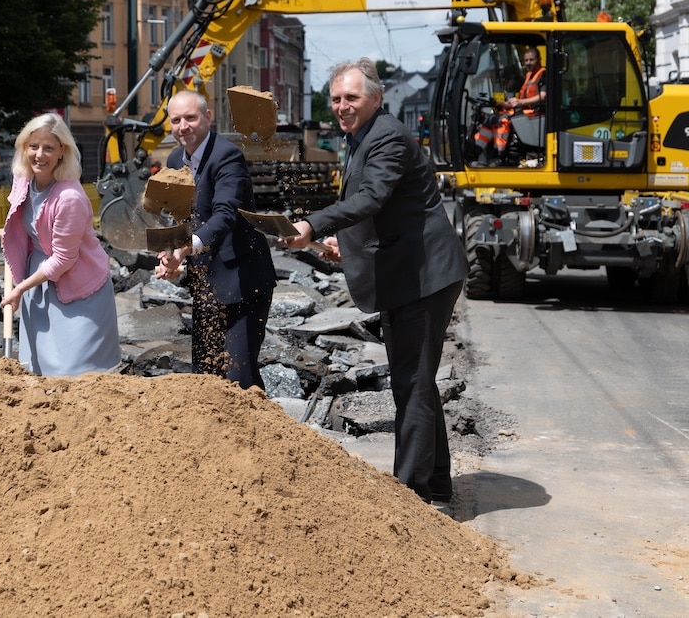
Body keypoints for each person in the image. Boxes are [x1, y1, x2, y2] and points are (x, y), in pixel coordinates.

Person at [282, 59, 468, 504]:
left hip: (423, 276)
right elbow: (386, 208)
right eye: (336, 99)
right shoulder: (362, 136)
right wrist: (343, 243)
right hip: (410, 271)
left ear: (376, 99)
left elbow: (371, 197)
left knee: (412, 382)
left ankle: (411, 495)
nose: (342, 107)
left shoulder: (385, 136)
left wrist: (311, 222)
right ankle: (436, 484)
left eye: (352, 97)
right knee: (416, 380)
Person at [156, 90, 277, 390]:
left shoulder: (227, 156)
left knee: (240, 376)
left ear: (208, 117)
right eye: (176, 120)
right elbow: (180, 217)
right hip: (206, 282)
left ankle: (259, 435)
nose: (183, 126)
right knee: (205, 374)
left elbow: (225, 215)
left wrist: (184, 250)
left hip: (244, 283)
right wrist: (171, 256)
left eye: (190, 118)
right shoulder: (174, 158)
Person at [0, 113, 121, 376]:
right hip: (39, 282)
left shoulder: (69, 198)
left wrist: (20, 288)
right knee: (40, 366)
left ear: (62, 152)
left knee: (75, 371)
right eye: (33, 146)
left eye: (48, 148)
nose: (39, 155)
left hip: (79, 286)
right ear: (24, 148)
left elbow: (64, 259)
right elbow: (19, 219)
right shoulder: (24, 180)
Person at [504, 47, 546, 116]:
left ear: (539, 59)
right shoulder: (528, 75)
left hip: (539, 115)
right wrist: (508, 104)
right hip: (526, 112)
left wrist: (520, 102)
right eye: (526, 60)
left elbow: (543, 96)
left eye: (531, 60)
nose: (528, 63)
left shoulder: (544, 74)